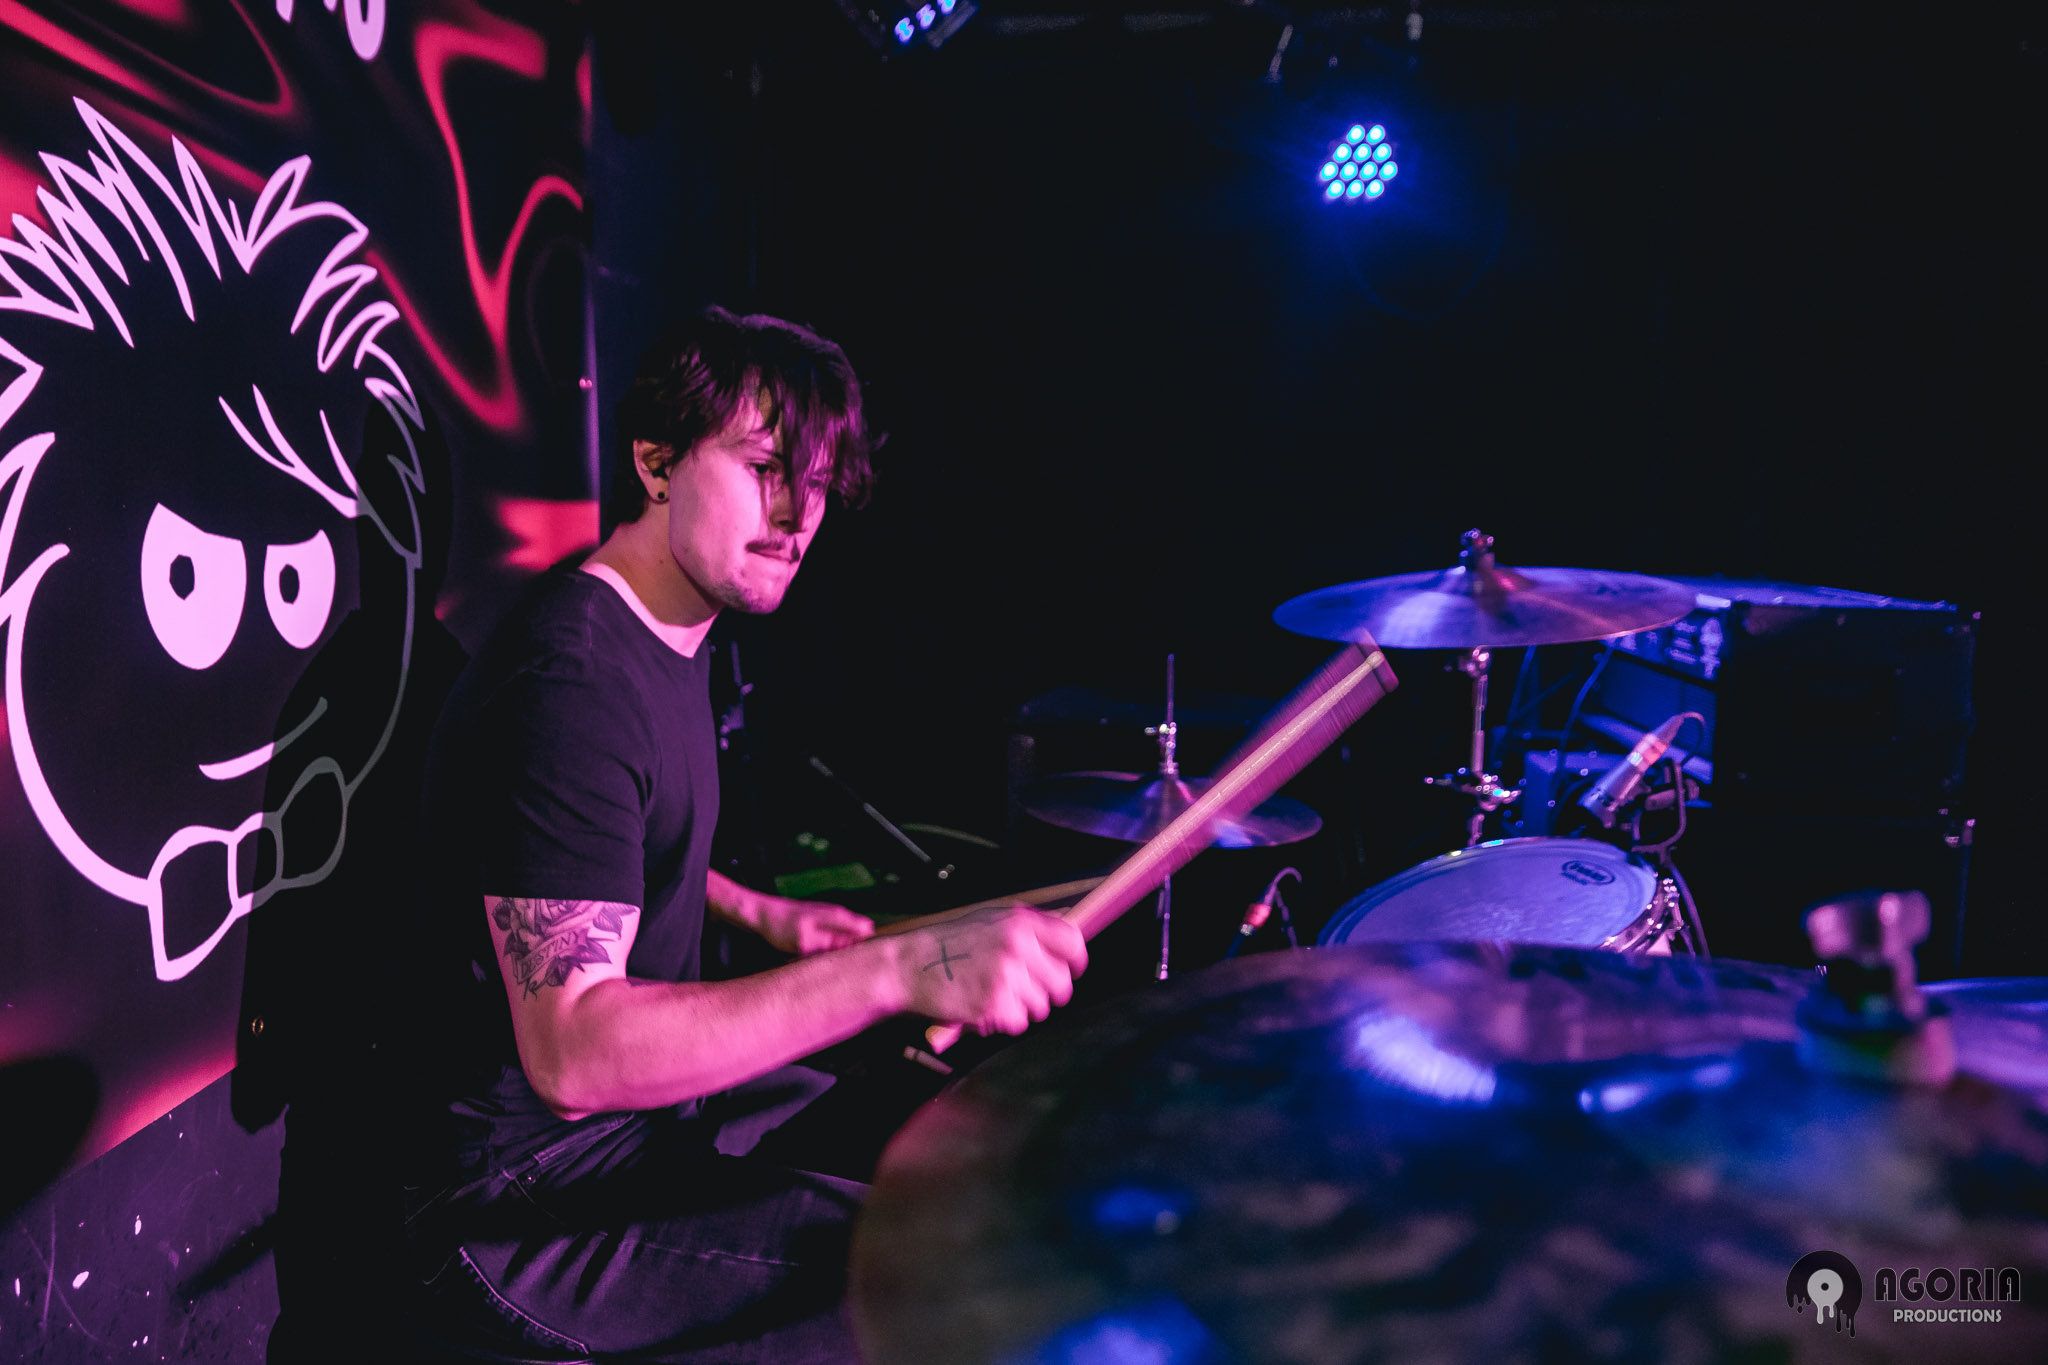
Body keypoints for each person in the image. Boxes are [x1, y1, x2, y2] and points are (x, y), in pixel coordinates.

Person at [402, 308, 1089, 1362]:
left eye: (814, 482)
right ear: (656, 460)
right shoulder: (572, 683)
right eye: (764, 464)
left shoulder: (668, 629)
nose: (794, 513)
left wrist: (752, 909)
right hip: (517, 1205)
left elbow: (587, 850)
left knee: (944, 1135)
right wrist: (902, 966)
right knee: (945, 1275)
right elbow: (574, 1053)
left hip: (631, 1132)